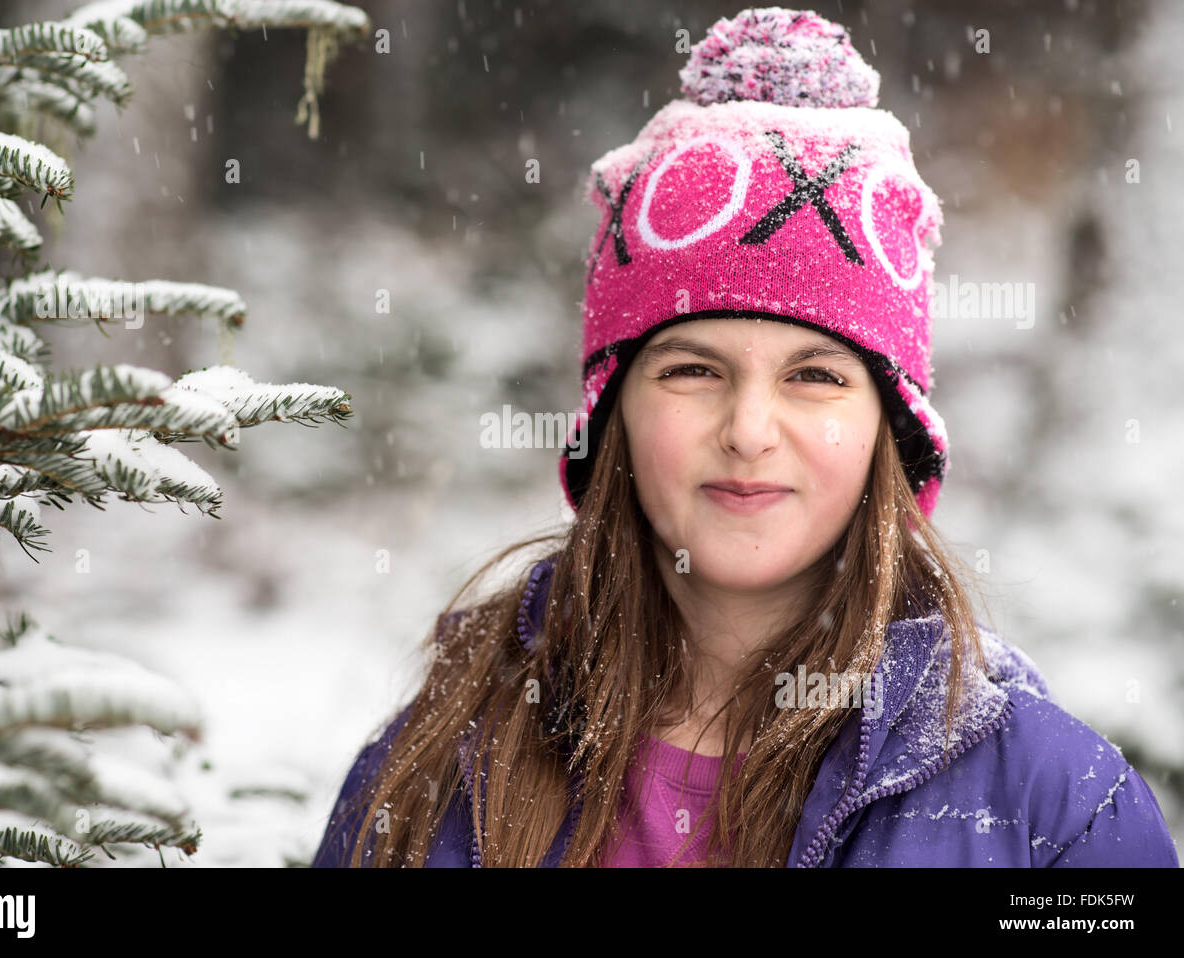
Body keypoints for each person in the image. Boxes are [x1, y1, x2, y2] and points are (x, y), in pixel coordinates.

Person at [312, 6, 1179, 867]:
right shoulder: (451, 755)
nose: (750, 432)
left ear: (892, 429)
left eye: (816, 377)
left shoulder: (1051, 808)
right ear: (614, 414)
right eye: (693, 370)